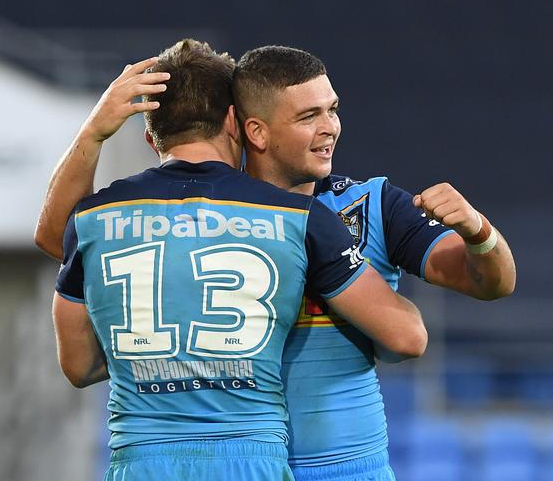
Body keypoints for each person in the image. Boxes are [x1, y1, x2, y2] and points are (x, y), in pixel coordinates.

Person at [44, 39, 426, 481]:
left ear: (152, 138)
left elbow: (77, 365)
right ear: (235, 122)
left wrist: (94, 131)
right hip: (248, 457)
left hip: (141, 458)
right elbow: (406, 337)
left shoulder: (93, 217)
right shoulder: (296, 218)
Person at [232, 45, 516, 480]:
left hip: (352, 470)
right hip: (244, 467)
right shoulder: (215, 217)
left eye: (333, 110)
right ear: (257, 132)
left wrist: (478, 231)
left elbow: (492, 284)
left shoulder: (374, 204)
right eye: (309, 117)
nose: (330, 128)